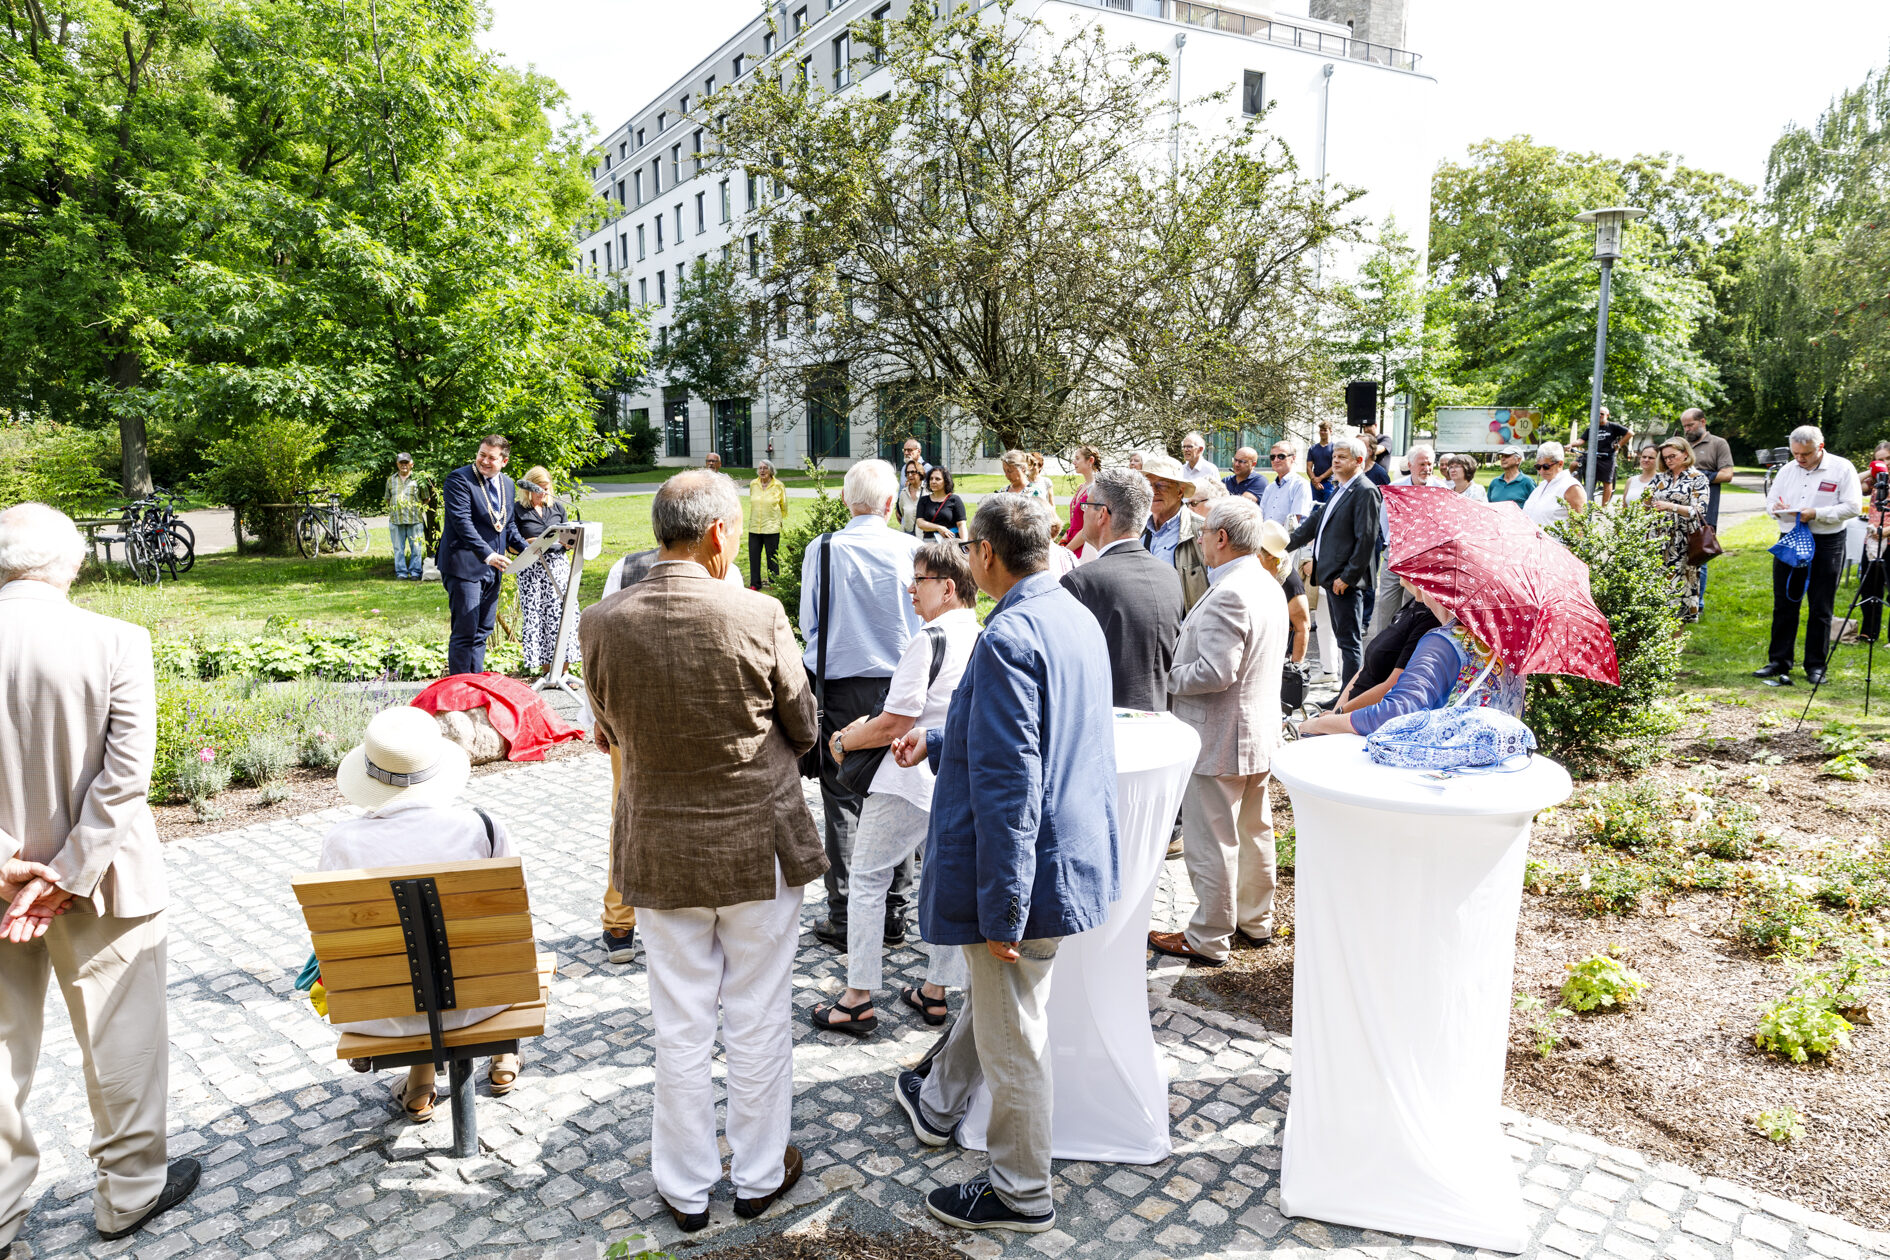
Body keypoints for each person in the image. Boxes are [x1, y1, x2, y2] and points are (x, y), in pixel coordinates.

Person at [579, 471, 823, 1232]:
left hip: (660, 847)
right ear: (721, 534)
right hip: (757, 845)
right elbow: (806, 725)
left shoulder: (602, 620)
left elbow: (607, 728)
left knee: (680, 1024)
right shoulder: (757, 611)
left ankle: (684, 1189)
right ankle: (756, 1175)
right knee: (757, 1014)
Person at [887, 495, 1118, 1235]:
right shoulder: (1071, 613)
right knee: (1001, 1005)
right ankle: (937, 1107)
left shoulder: (1011, 633)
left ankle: (1021, 1191)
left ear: (984, 554)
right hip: (1066, 853)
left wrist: (1004, 907)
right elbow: (1029, 739)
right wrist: (945, 742)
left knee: (1014, 1027)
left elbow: (1014, 782)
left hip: (1032, 867)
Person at [0, 503, 201, 1248]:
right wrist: (63, 873)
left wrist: (6, 865)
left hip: (1, 893)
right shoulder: (117, 640)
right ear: (72, 562)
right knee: (122, 1039)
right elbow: (124, 780)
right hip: (106, 883)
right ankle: (129, 1194)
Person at [811, 542, 981, 1036]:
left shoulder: (930, 637)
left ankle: (857, 998)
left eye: (920, 580)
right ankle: (934, 993)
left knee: (866, 879)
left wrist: (843, 738)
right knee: (945, 880)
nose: (911, 588)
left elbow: (895, 721)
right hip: (952, 776)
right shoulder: (982, 633)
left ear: (948, 587)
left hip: (907, 778)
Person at [318, 708, 521, 1119]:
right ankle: (502, 1056)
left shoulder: (341, 842)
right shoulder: (482, 827)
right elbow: (512, 923)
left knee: (409, 962)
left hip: (382, 1014)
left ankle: (420, 1080)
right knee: (480, 946)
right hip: (482, 1003)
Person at [1149, 498, 1288, 966]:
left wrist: (1166, 678)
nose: (1200, 540)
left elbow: (1215, 672)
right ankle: (1256, 920)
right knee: (1254, 831)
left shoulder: (1231, 590)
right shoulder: (1266, 582)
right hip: (1257, 733)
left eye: (1205, 532)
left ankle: (1209, 936)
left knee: (1214, 840)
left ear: (1222, 538)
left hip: (1219, 735)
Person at [800, 460, 925, 949]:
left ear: (847, 500)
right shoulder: (913, 547)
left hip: (839, 686)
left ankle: (848, 913)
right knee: (898, 793)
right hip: (900, 685)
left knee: (843, 801)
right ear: (891, 503)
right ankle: (893, 912)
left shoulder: (824, 548)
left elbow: (811, 620)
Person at [1298, 583, 1525, 736]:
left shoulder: (1444, 642)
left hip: (1444, 776)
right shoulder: (1508, 640)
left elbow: (1395, 712)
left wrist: (1320, 723)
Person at [1059, 468, 1185, 710]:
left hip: (1105, 724)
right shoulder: (1169, 575)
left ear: (1102, 514)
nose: (1082, 512)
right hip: (1161, 717)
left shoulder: (1081, 582)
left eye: (1086, 505)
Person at [1755, 425, 1861, 687]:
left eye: (1806, 454)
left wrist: (1817, 513)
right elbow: (1770, 502)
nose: (1800, 459)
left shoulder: (1842, 468)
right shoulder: (1788, 470)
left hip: (1826, 541)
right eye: (1796, 454)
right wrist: (1777, 508)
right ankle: (1778, 661)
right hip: (1791, 538)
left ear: (1820, 447)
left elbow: (1853, 506)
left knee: (1821, 605)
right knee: (1785, 601)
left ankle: (1816, 665)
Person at [1286, 437, 1378, 688]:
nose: (1335, 461)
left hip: (1345, 582)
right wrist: (1282, 547)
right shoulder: (1341, 487)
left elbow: (1366, 539)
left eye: (1342, 457)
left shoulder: (1365, 490)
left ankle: (1350, 698)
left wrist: (1348, 577)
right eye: (1334, 456)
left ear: (1359, 461)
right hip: (1331, 578)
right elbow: (1315, 523)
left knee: (1349, 643)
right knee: (1341, 640)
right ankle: (1345, 694)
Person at [438, 435, 528, 676]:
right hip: (464, 565)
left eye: (492, 457)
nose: (484, 461)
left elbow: (507, 527)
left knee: (482, 631)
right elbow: (461, 523)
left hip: (493, 568)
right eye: (482, 454)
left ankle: (475, 683)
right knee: (465, 630)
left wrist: (532, 552)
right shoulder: (459, 479)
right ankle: (458, 688)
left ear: (504, 461)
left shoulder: (508, 484)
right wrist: (488, 554)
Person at [1368, 445, 1450, 642]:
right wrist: (1394, 544)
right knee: (1387, 603)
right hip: (1395, 553)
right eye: (1422, 464)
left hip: (1424, 558)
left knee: (1413, 606)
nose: (1427, 468)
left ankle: (1404, 650)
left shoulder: (1442, 490)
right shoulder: (1396, 488)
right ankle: (1381, 648)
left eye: (1430, 464)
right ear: (1410, 465)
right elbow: (1384, 519)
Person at [1328, 591, 1441, 715]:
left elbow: (1394, 685)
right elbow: (1365, 668)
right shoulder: (1413, 604)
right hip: (1351, 709)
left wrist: (1339, 713)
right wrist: (1337, 709)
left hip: (1369, 716)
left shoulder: (1428, 619)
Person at [513, 467, 578, 676]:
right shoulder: (517, 510)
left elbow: (569, 537)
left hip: (558, 567)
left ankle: (564, 673)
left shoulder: (557, 508)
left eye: (546, 488)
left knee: (562, 615)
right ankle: (548, 672)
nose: (543, 493)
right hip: (532, 570)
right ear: (528, 488)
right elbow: (511, 544)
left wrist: (570, 542)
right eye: (538, 489)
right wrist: (529, 543)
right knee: (539, 617)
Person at [1644, 437, 1711, 623]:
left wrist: (1670, 506)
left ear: (1685, 454)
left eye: (1672, 456)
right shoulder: (1659, 478)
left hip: (1683, 542)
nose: (1668, 461)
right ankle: (1657, 642)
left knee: (1678, 596)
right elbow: (1646, 504)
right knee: (1655, 592)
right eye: (1665, 458)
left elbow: (1699, 510)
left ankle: (1675, 644)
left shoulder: (1698, 478)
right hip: (1657, 540)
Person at [1141, 453, 1209, 610]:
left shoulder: (1202, 531)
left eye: (1161, 485)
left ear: (1180, 491)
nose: (1152, 491)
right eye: (1147, 485)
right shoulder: (1136, 529)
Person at [1683, 408, 1736, 608]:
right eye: (1684, 426)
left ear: (1703, 422)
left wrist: (1700, 476)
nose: (1687, 429)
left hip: (1705, 510)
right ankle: (1679, 600)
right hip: (1678, 508)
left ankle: (1698, 603)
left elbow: (1727, 474)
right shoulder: (1682, 445)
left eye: (1691, 425)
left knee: (1700, 555)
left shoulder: (1718, 444)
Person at [1256, 520, 1310, 665]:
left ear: (1270, 557)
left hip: (1274, 656)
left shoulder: (1289, 582)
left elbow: (1303, 627)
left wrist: (1295, 667)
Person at [1570, 407, 1632, 505]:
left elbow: (1630, 433)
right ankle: (1574, 485)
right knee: (1574, 464)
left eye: (1602, 414)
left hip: (1606, 457)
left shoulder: (1613, 426)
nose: (1599, 415)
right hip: (1591, 457)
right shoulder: (1591, 428)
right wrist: (1571, 445)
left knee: (1607, 482)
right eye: (1597, 414)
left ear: (1607, 415)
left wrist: (1619, 445)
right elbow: (1581, 440)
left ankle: (1603, 508)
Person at [1862, 441, 1890, 643]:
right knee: (1870, 587)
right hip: (1872, 539)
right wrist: (1873, 469)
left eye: (1888, 458)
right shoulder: (1876, 480)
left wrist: (1886, 531)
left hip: (1888, 537)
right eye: (1880, 459)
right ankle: (1869, 632)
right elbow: (1853, 484)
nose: (1885, 463)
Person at [1523, 441, 1586, 529]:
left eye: (1546, 466)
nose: (1541, 471)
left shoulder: (1572, 487)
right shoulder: (1543, 484)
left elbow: (1579, 526)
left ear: (1560, 464)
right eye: (1538, 467)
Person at [385, 453, 427, 580]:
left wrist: (416, 508)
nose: (404, 465)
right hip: (396, 519)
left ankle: (415, 572)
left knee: (416, 548)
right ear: (397, 464)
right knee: (398, 548)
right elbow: (388, 498)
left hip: (415, 519)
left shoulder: (419, 479)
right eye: (401, 463)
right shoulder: (390, 479)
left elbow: (426, 498)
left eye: (406, 462)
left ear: (411, 464)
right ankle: (401, 573)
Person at [748, 459, 787, 589]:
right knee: (754, 557)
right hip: (754, 527)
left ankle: (774, 583)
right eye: (760, 468)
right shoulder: (753, 484)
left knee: (772, 558)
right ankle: (755, 584)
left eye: (765, 468)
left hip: (771, 527)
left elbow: (784, 506)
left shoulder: (779, 485)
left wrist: (778, 521)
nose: (762, 471)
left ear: (771, 470)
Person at [1259, 441, 1313, 530]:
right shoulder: (1269, 488)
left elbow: (1294, 521)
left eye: (1281, 456)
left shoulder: (1300, 485)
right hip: (1266, 539)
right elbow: (1261, 517)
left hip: (1288, 540)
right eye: (1272, 457)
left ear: (1293, 458)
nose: (1276, 460)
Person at [1058, 445, 1102, 553]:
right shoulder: (1082, 487)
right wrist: (1063, 541)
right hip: (1072, 543)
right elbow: (1074, 523)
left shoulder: (1097, 488)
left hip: (1086, 547)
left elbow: (1088, 527)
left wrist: (1067, 551)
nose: (1074, 462)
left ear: (1090, 460)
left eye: (1077, 458)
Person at [914, 465, 969, 542]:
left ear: (946, 482)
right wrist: (939, 528)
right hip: (929, 544)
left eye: (937, 479)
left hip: (950, 544)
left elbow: (961, 525)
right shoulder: (923, 500)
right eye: (931, 479)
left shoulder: (955, 499)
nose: (933, 481)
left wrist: (964, 545)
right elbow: (920, 523)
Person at [1486, 444, 1536, 508]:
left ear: (1518, 460)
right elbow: (1488, 506)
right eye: (1502, 456)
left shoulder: (1527, 482)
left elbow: (1535, 508)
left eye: (1507, 456)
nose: (1503, 459)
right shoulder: (1494, 482)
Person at [1308, 422, 1335, 504]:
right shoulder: (1313, 448)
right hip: (1315, 484)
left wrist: (1320, 478)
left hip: (1329, 483)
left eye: (1325, 430)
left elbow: (1334, 466)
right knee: (1315, 510)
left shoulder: (1335, 448)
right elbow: (1308, 467)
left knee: (1328, 508)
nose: (1322, 432)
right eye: (1321, 430)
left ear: (1330, 431)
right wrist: (1314, 480)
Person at [897, 460, 926, 535]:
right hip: (908, 535)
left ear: (920, 473)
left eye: (913, 472)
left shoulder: (928, 491)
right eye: (907, 473)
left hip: (925, 536)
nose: (910, 475)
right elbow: (902, 513)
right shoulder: (903, 493)